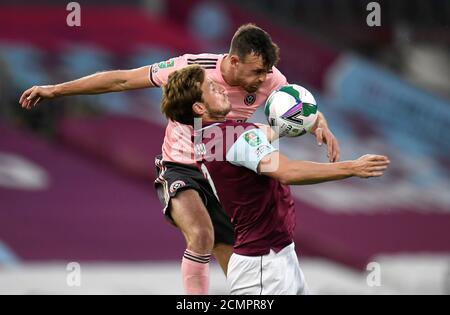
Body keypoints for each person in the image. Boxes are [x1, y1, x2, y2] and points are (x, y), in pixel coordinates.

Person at [18, 24, 340, 294]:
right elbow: (123, 79)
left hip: (225, 174)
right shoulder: (192, 68)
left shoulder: (270, 78)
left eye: (266, 72)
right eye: (256, 72)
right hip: (181, 168)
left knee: (241, 266)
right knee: (201, 234)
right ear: (233, 60)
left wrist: (320, 126)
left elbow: (299, 107)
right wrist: (56, 90)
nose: (262, 80)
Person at [160, 64, 390, 294]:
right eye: (211, 87)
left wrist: (313, 122)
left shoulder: (212, 135)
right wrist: (352, 167)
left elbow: (268, 131)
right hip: (263, 268)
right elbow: (287, 171)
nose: (220, 88)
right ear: (199, 107)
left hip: (277, 257)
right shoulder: (232, 138)